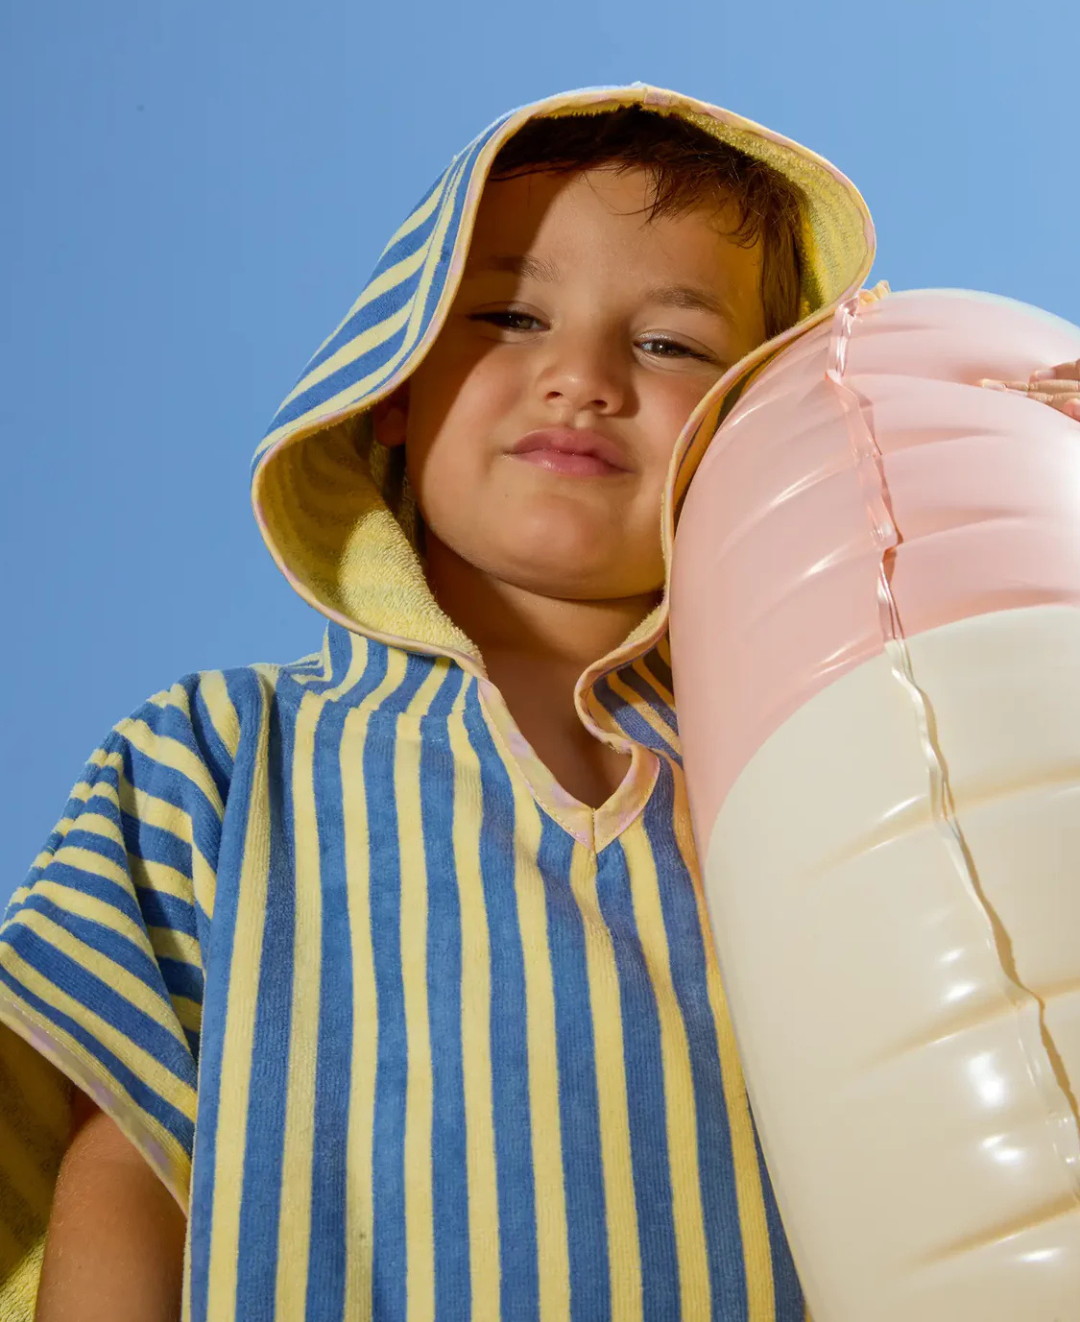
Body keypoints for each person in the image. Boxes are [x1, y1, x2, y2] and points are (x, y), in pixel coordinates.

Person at [2, 80, 1059, 1322]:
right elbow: (124, 1158)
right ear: (393, 381)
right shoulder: (216, 759)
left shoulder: (811, 777)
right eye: (508, 315)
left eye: (670, 344)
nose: (584, 378)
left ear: (750, 426)